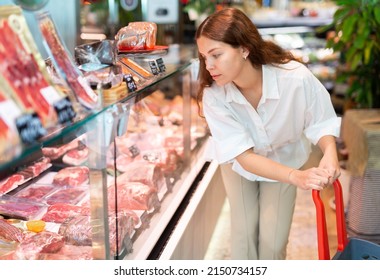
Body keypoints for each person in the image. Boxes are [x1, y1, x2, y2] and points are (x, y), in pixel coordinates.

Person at [195, 7, 341, 260]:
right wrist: (296, 177)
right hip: (239, 165)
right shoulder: (215, 95)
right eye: (204, 57)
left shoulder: (294, 78)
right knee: (244, 236)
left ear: (243, 48)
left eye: (216, 55)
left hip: (284, 156)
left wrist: (330, 152)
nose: (208, 66)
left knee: (273, 243)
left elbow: (322, 119)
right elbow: (244, 157)